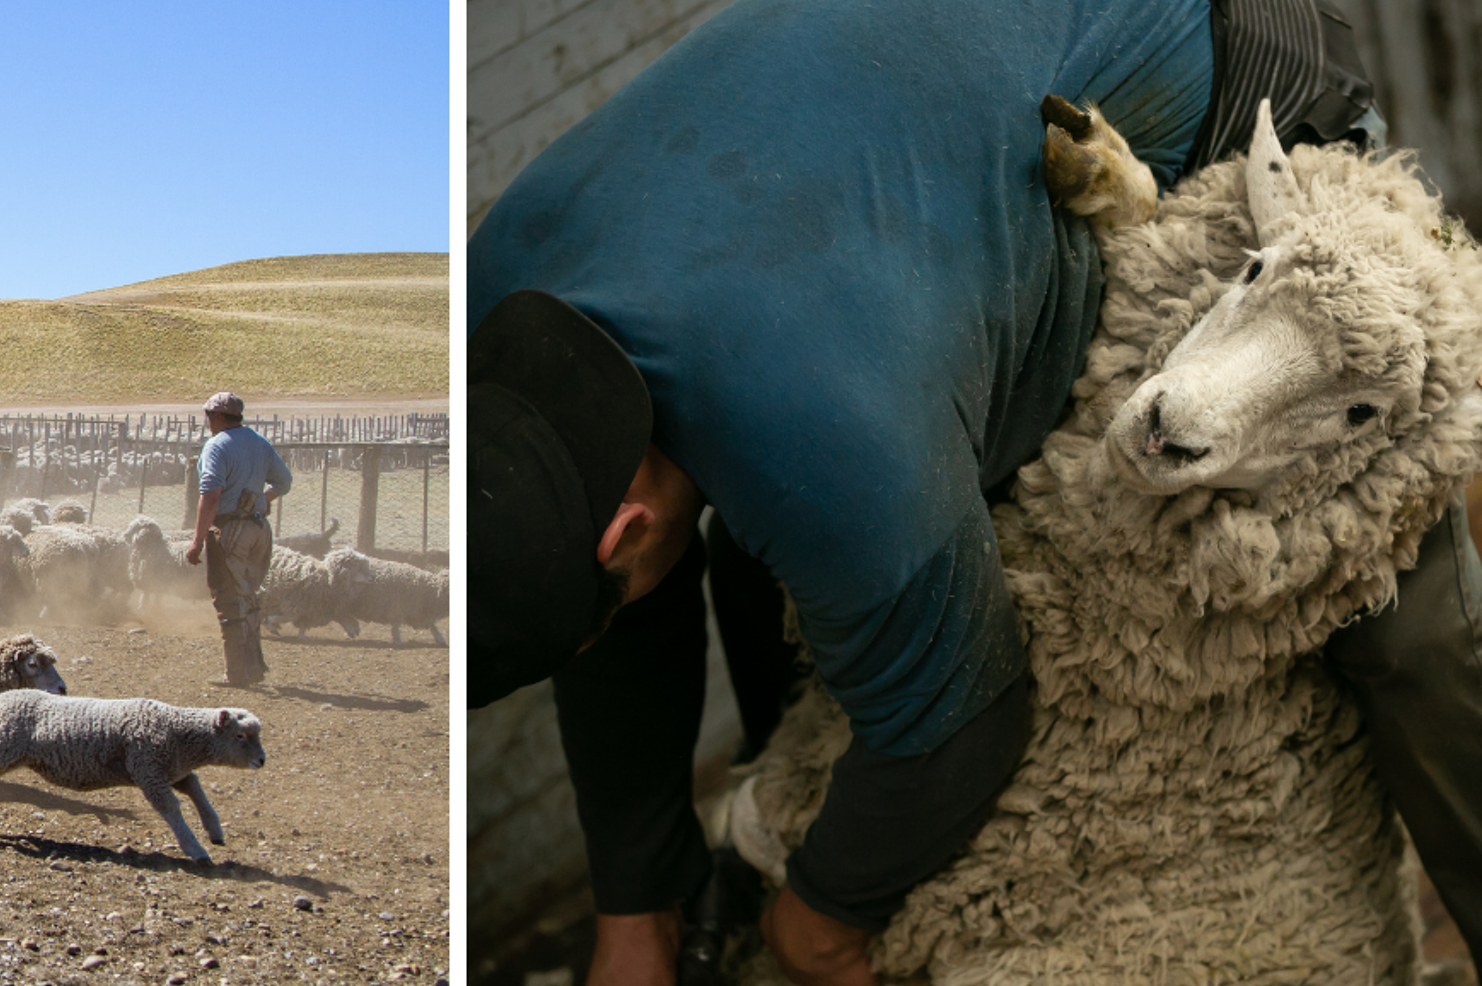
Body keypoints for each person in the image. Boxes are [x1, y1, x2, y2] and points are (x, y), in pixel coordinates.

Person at [469, 2, 1477, 985]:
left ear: (623, 528)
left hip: (1233, 111)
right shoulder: (494, 316)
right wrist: (632, 906)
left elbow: (954, 719)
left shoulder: (820, 433)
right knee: (800, 588)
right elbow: (589, 543)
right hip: (916, 156)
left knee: (1404, 627)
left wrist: (819, 916)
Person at [184, 391, 292, 686]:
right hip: (259, 529)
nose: (207, 421)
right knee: (249, 598)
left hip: (231, 530)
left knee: (229, 599)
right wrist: (265, 498)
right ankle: (253, 668)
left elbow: (211, 495)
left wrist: (197, 540)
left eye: (208, 416)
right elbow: (284, 481)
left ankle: (236, 674)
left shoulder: (217, 446)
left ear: (217, 417)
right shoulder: (259, 442)